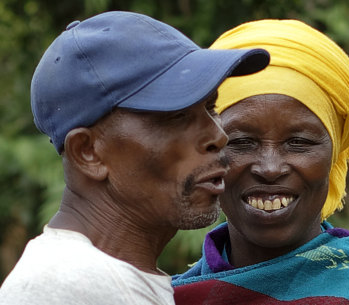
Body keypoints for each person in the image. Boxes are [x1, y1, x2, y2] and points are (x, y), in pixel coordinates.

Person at [171, 19, 349, 304]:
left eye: (298, 143)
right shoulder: (163, 298)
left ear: (334, 155)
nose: (270, 168)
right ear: (209, 150)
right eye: (241, 142)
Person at [0, 11, 269, 305]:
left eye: (211, 107)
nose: (218, 135)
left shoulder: (110, 284)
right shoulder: (67, 287)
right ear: (88, 152)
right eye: (177, 116)